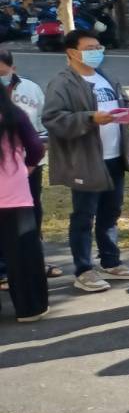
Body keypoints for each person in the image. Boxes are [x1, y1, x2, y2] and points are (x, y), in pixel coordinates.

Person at [42, 29, 129, 292]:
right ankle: (84, 270)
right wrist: (90, 118)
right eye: (90, 47)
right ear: (71, 52)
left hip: (114, 156)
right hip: (86, 160)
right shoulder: (62, 83)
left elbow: (121, 109)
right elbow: (53, 119)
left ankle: (111, 262)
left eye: (99, 46)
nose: (97, 51)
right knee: (84, 216)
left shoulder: (106, 77)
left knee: (110, 213)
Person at [0, 49, 61, 287]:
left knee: (31, 217)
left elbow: (42, 129)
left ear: (13, 69)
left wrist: (31, 164)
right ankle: (4, 268)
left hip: (26, 171)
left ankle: (34, 263)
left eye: (3, 72)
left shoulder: (30, 89)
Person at [0, 79, 48, 322]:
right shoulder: (13, 114)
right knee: (22, 253)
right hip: (13, 192)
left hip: (12, 194)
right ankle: (29, 308)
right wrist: (26, 167)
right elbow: (36, 148)